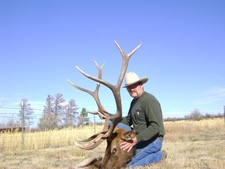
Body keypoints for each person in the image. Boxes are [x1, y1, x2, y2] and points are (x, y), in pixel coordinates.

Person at [118, 72, 167, 167]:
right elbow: (127, 121)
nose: (131, 89)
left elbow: (155, 127)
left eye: (134, 85)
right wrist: (108, 117)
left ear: (141, 85)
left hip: (153, 140)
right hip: (140, 140)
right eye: (129, 87)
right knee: (112, 124)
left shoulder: (149, 101)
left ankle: (159, 155)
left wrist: (136, 140)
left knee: (130, 165)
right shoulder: (134, 102)